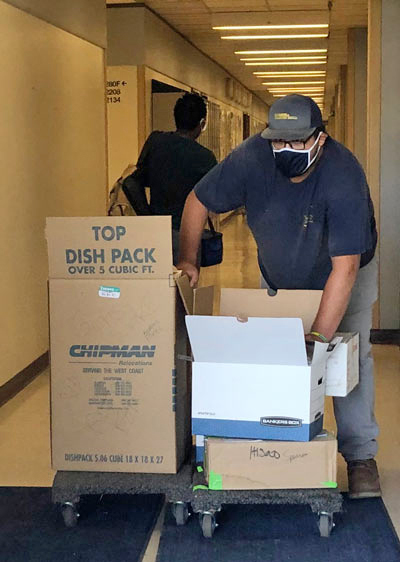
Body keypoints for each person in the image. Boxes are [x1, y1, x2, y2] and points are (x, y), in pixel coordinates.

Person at [177, 94, 380, 500]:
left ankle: (360, 457)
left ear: (319, 140)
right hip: (281, 275)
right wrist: (188, 260)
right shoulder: (251, 158)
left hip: (343, 273)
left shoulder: (343, 174)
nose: (285, 151)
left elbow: (345, 268)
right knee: (274, 358)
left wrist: (318, 340)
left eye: (296, 143)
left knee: (346, 360)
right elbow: (197, 201)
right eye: (278, 142)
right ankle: (278, 445)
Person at [122, 92, 217, 264]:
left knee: (157, 285)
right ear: (202, 124)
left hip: (155, 234)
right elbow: (215, 201)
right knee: (184, 286)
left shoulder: (156, 141)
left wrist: (149, 219)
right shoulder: (205, 157)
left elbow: (131, 182)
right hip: (187, 237)